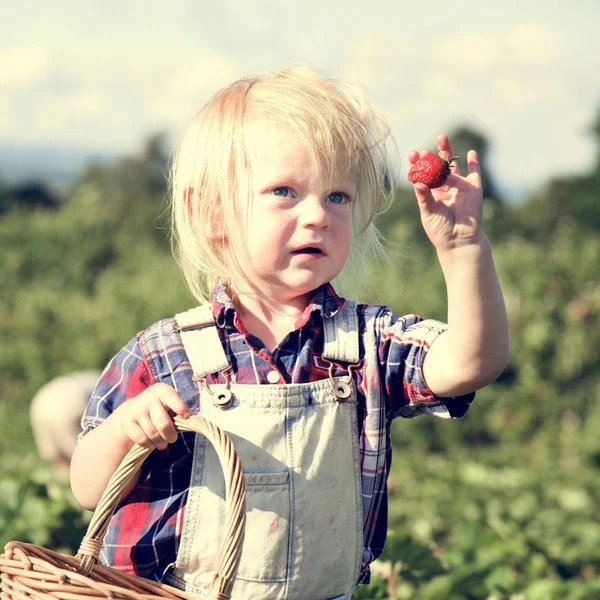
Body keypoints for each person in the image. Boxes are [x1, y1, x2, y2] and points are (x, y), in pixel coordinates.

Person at [70, 66, 508, 599]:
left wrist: (463, 250)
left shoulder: (366, 342)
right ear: (212, 213)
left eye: (338, 197)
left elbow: (469, 364)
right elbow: (88, 488)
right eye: (285, 191)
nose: (318, 216)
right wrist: (123, 429)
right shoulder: (166, 353)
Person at [30, 370, 101, 472]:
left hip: (42, 400)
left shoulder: (87, 376)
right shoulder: (105, 381)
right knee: (85, 459)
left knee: (55, 457)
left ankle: (61, 484)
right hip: (72, 398)